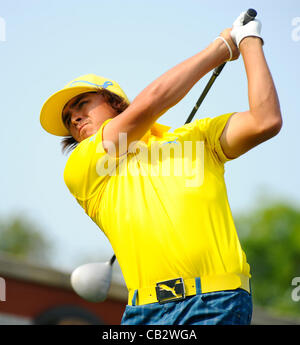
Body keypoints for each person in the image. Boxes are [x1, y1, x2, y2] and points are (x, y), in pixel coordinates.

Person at [40, 12, 282, 325]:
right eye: (68, 117)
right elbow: (153, 101)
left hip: (217, 302)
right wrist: (222, 46)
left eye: (83, 104)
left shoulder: (196, 137)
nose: (74, 118)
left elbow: (266, 120)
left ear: (115, 102)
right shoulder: (83, 165)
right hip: (144, 313)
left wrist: (249, 40)